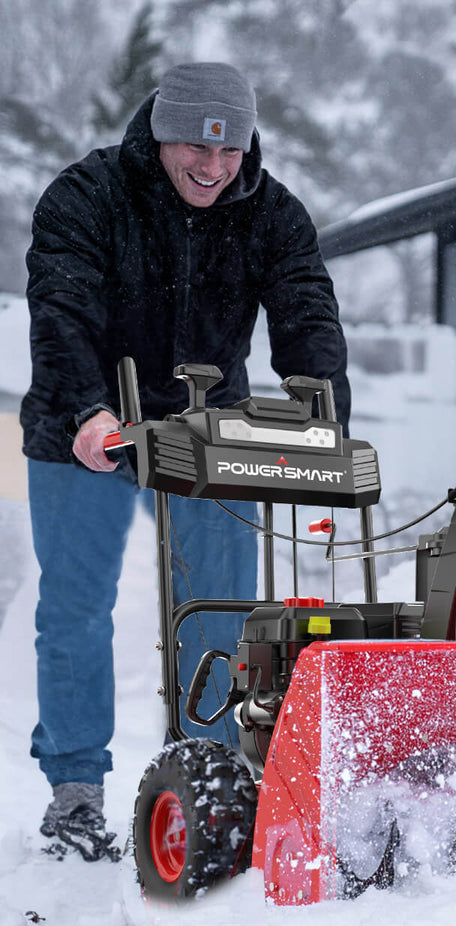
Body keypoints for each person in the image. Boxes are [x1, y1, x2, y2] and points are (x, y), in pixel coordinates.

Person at [21, 62, 351, 861]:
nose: (212, 168)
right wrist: (86, 412)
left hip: (208, 429)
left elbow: (305, 308)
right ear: (160, 134)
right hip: (91, 428)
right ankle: (75, 791)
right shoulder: (88, 194)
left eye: (229, 152)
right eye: (194, 150)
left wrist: (323, 413)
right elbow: (61, 308)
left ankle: (206, 772)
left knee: (219, 609)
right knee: (76, 608)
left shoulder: (271, 212)